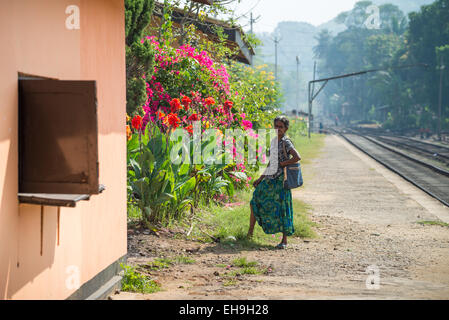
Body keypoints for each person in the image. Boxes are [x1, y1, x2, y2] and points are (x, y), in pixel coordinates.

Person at [247, 116, 301, 249]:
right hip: (270, 178)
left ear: (286, 128)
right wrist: (260, 178)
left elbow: (297, 157)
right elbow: (271, 163)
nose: (277, 129)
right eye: (276, 126)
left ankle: (284, 241)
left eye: (280, 127)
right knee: (255, 200)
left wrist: (283, 163)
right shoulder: (273, 142)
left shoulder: (286, 142)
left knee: (283, 208)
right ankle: (250, 233)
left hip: (281, 181)